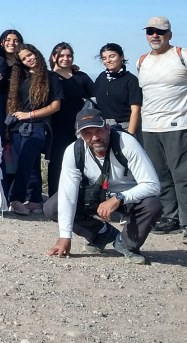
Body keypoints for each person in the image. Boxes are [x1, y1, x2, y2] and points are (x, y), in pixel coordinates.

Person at [44, 106, 163, 265]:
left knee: (152, 204)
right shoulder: (74, 152)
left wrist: (119, 198)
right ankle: (101, 233)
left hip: (128, 197)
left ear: (107, 128)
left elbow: (152, 185)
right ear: (80, 135)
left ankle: (126, 243)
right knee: (53, 206)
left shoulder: (126, 143)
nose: (94, 138)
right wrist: (65, 236)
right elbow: (67, 194)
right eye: (87, 133)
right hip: (95, 196)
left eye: (98, 131)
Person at [137, 17, 187, 246]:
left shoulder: (185, 55)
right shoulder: (142, 61)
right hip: (150, 126)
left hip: (179, 126)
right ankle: (170, 217)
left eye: (160, 31)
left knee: (185, 176)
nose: (154, 35)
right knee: (160, 175)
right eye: (150, 31)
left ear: (169, 34)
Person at [5, 43, 63, 216]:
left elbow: (56, 106)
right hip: (16, 126)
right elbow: (12, 103)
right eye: (24, 58)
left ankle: (15, 199)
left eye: (30, 55)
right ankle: (35, 200)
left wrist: (30, 115)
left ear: (36, 53)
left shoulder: (51, 77)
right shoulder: (19, 79)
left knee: (25, 161)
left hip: (37, 126)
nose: (28, 59)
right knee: (30, 167)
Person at [48, 43, 95, 196]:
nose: (65, 59)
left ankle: (82, 197)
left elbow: (95, 98)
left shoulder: (81, 77)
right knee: (57, 163)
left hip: (80, 127)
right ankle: (54, 197)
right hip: (57, 126)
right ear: (54, 57)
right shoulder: (49, 77)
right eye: (61, 55)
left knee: (81, 162)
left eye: (69, 56)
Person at [93, 43, 142, 136]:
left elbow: (135, 110)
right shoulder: (101, 78)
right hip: (104, 127)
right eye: (104, 58)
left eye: (112, 56)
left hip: (125, 126)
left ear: (121, 57)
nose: (108, 61)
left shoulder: (130, 80)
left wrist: (130, 134)